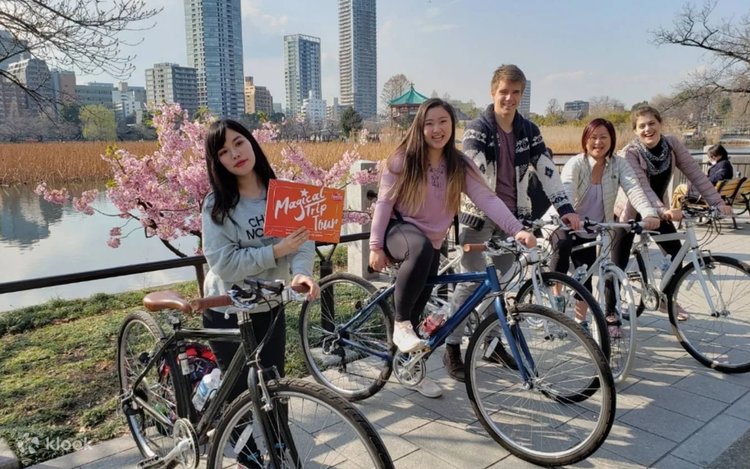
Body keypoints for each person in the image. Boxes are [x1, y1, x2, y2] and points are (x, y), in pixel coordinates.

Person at [368, 98, 536, 398]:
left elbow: (487, 199)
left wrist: (517, 229)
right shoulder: (403, 159)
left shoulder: (459, 165)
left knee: (418, 307)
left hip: (431, 244)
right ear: (420, 127)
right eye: (429, 123)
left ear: (452, 126)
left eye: (443, 122)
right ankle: (400, 322)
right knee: (411, 294)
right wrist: (375, 246)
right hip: (399, 230)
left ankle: (410, 369)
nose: (437, 129)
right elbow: (383, 203)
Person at [445, 64, 581, 382]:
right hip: (479, 218)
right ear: (493, 92)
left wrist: (565, 208)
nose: (509, 98)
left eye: (516, 92)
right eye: (504, 92)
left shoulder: (528, 131)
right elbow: (476, 175)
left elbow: (547, 170)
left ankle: (491, 342)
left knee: (504, 286)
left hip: (515, 219)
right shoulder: (478, 129)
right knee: (469, 284)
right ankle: (451, 346)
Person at [201, 119, 320, 466]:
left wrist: (301, 273)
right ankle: (249, 459)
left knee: (273, 387)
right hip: (227, 308)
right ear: (217, 161)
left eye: (239, 142)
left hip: (269, 304)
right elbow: (224, 263)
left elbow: (302, 241)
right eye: (223, 151)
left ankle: (278, 455)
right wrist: (276, 251)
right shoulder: (217, 205)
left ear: (252, 142)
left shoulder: (282, 195)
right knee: (240, 395)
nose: (235, 154)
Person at [612, 105, 733, 321]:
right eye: (642, 126)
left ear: (660, 124)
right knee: (617, 263)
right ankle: (609, 312)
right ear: (635, 131)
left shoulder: (672, 145)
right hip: (630, 212)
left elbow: (696, 174)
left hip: (660, 210)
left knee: (677, 253)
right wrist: (665, 211)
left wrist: (717, 202)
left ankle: (666, 299)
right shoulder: (630, 153)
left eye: (652, 123)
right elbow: (642, 188)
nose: (647, 129)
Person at [547, 118, 660, 337]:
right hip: (564, 221)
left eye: (603, 137)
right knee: (563, 245)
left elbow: (634, 189)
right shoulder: (576, 163)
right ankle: (557, 294)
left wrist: (648, 213)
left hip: (592, 227)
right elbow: (567, 188)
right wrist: (568, 213)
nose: (598, 142)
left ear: (611, 140)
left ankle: (580, 322)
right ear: (585, 140)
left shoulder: (619, 164)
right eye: (593, 137)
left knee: (586, 276)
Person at [671, 144, 734, 209]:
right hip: (714, 193)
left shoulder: (723, 166)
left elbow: (715, 179)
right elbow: (716, 178)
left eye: (712, 156)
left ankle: (673, 211)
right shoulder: (725, 165)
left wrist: (703, 178)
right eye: (710, 157)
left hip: (706, 195)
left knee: (679, 189)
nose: (710, 158)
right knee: (679, 194)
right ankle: (676, 210)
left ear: (719, 155)